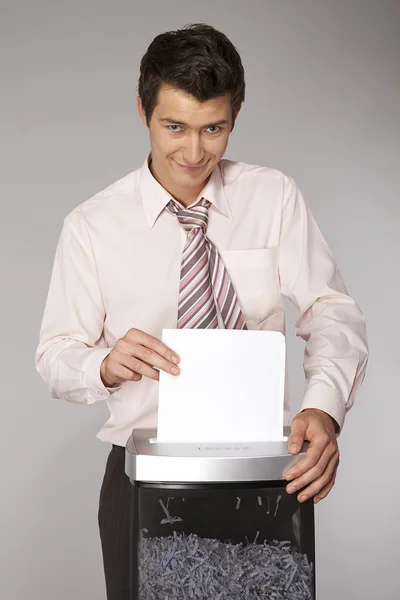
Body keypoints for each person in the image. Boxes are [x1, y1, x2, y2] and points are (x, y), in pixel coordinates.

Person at [35, 23, 368, 600]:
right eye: (175, 127)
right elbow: (55, 356)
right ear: (143, 111)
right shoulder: (91, 225)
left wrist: (325, 410)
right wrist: (106, 365)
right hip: (144, 473)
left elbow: (331, 310)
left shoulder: (274, 198)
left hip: (264, 468)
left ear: (235, 117)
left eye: (214, 129)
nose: (194, 153)